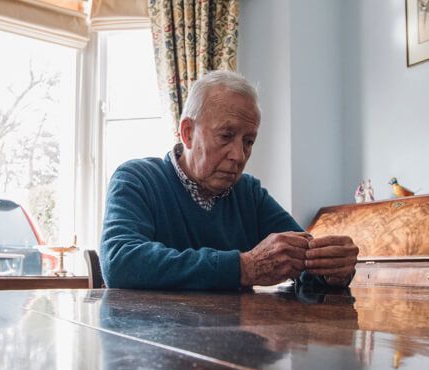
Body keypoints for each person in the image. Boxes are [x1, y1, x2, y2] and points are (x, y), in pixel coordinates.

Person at [101, 70, 358, 290]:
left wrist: (332, 270)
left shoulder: (249, 193)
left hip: (232, 344)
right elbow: (120, 263)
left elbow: (301, 261)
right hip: (153, 343)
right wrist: (242, 268)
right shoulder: (137, 179)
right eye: (226, 136)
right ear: (188, 133)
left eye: (248, 142)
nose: (239, 155)